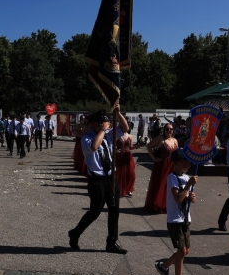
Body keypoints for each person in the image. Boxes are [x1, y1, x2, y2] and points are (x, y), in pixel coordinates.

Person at [68, 108, 129, 254]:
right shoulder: (86, 138)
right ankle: (75, 233)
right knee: (94, 212)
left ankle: (111, 242)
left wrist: (118, 113)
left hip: (110, 178)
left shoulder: (107, 135)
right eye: (101, 124)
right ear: (93, 125)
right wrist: (103, 130)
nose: (104, 126)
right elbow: (94, 146)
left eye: (104, 124)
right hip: (97, 180)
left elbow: (125, 128)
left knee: (114, 211)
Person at [155, 150, 197, 275]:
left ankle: (164, 266)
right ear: (180, 162)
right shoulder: (172, 178)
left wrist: (192, 197)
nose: (190, 165)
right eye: (188, 162)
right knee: (181, 251)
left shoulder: (186, 178)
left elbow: (189, 198)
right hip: (175, 220)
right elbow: (178, 198)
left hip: (185, 219)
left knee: (186, 251)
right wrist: (188, 186)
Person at [144, 123, 179, 213]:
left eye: (171, 129)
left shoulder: (175, 140)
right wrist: (154, 158)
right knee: (161, 185)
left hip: (173, 166)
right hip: (162, 166)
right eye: (167, 129)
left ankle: (168, 205)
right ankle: (158, 204)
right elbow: (149, 146)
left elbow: (177, 153)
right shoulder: (160, 139)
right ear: (164, 130)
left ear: (173, 130)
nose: (169, 131)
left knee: (171, 185)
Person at [115, 128, 136, 197]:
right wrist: (116, 150)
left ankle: (129, 189)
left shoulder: (130, 136)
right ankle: (119, 189)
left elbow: (131, 147)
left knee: (131, 173)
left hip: (127, 156)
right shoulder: (117, 135)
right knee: (120, 173)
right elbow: (112, 145)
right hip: (119, 156)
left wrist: (137, 146)